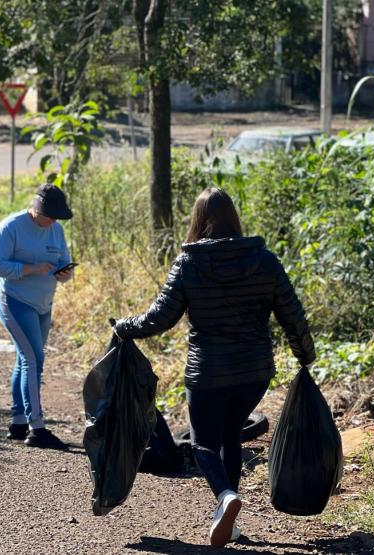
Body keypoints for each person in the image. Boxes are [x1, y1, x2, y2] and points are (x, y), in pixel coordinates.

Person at [114, 188, 316, 547]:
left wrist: (124, 327)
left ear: (198, 220)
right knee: (230, 436)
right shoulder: (264, 260)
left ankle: (225, 496)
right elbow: (292, 312)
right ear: (234, 217)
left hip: (208, 372)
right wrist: (305, 353)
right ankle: (231, 522)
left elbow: (160, 317)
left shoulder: (189, 263)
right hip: (255, 372)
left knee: (204, 444)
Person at [0, 184, 76, 450]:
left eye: (57, 217)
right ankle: (37, 428)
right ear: (36, 209)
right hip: (14, 301)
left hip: (43, 304)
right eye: (49, 215)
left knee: (26, 359)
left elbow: (66, 266)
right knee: (34, 359)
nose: (52, 221)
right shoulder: (10, 227)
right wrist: (30, 268)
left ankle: (18, 422)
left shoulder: (56, 230)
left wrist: (65, 273)